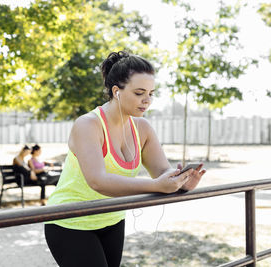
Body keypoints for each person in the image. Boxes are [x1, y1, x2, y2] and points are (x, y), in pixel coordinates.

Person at [44, 51, 206, 267]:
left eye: (151, 93)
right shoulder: (88, 125)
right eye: (139, 93)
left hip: (112, 219)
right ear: (116, 91)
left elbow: (161, 171)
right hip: (70, 221)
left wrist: (181, 181)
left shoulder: (143, 128)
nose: (147, 100)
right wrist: (157, 186)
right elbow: (97, 181)